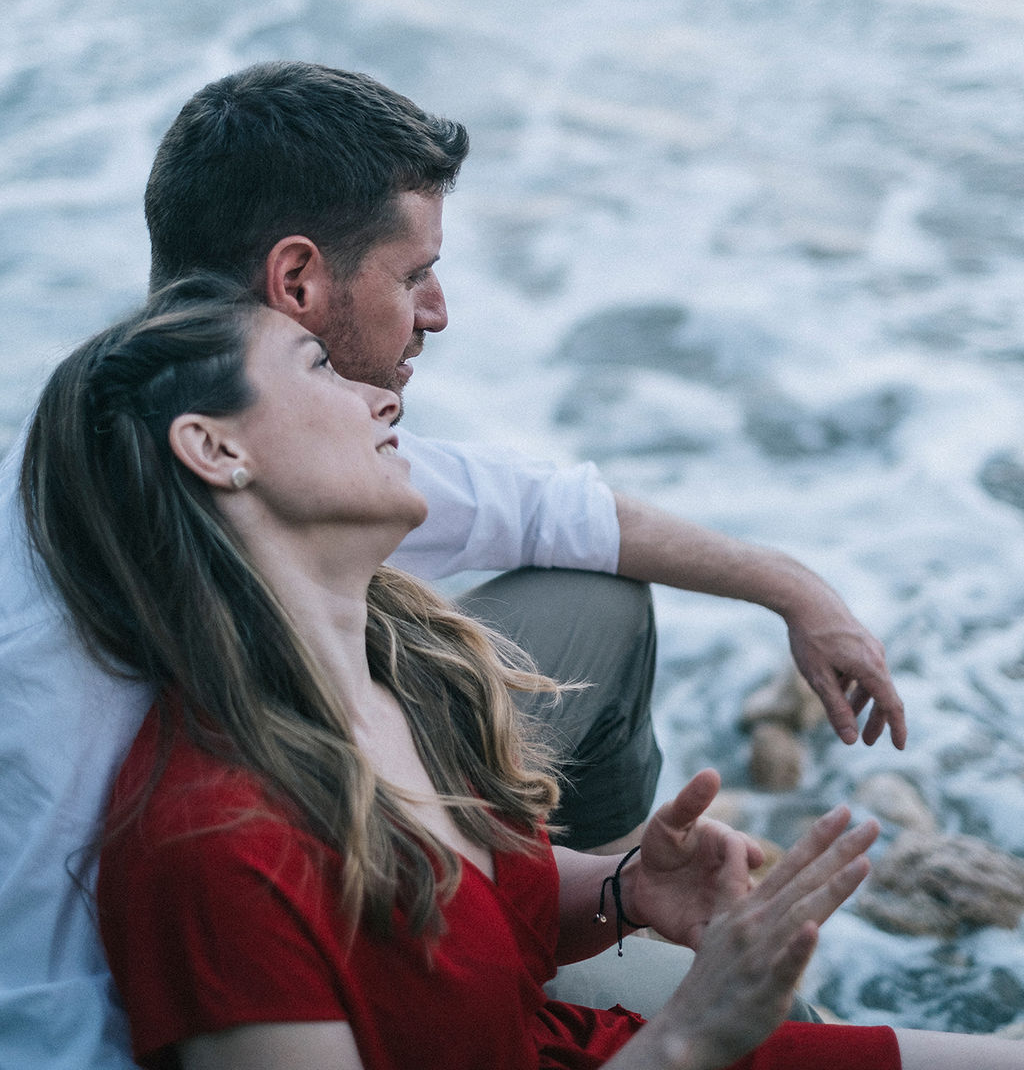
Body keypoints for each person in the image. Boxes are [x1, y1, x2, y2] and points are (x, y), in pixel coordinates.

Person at [0, 60, 906, 1069]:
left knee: (583, 604)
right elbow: (49, 995)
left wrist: (793, 588)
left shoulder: (250, 458)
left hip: (335, 845)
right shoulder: (81, 665)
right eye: (412, 273)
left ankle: (546, 922)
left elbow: (547, 509)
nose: (436, 313)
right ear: (297, 283)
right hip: (182, 994)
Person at [19, 279, 1023, 1070]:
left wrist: (626, 894)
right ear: (214, 447)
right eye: (319, 366)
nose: (381, 393)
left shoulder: (402, 667)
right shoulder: (213, 847)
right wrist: (689, 1037)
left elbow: (461, 945)